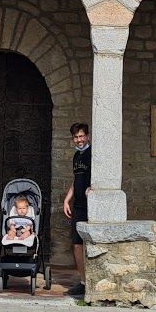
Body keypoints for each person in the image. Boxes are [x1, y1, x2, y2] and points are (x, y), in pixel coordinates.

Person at [61, 121, 91, 296]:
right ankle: (83, 281)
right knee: (77, 244)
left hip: (91, 204)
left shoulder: (92, 154)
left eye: (81, 136)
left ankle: (93, 281)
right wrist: (67, 199)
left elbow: (96, 175)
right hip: (78, 205)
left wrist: (92, 187)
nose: (79, 140)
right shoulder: (76, 156)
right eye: (76, 137)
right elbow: (76, 179)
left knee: (90, 243)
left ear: (87, 136)